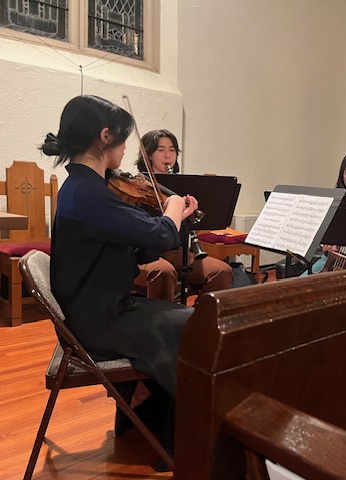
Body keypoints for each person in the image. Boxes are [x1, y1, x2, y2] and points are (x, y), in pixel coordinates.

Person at [42, 95, 198, 467]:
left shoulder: (86, 189)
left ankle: (148, 410)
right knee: (196, 325)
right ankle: (179, 443)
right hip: (96, 321)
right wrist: (173, 211)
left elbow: (137, 248)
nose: (127, 147)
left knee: (184, 317)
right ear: (104, 136)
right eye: (124, 138)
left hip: (100, 307)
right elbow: (161, 236)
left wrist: (166, 223)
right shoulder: (88, 195)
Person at [132, 129, 232, 300]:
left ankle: (199, 319)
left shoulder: (183, 185)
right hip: (147, 250)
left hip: (177, 251)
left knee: (222, 271)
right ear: (148, 155)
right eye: (161, 150)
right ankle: (162, 322)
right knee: (164, 272)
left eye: (172, 150)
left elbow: (197, 227)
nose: (168, 155)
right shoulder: (137, 185)